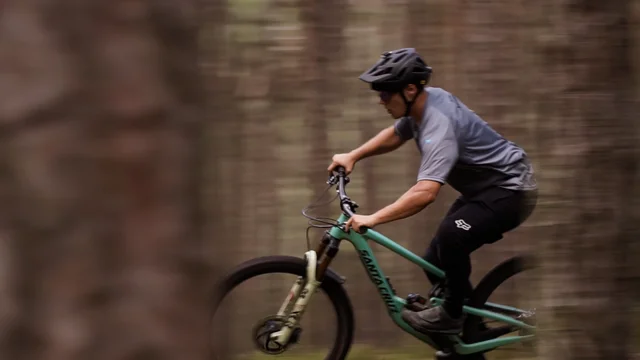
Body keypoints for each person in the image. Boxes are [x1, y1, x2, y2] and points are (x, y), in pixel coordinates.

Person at [327, 48, 538, 335]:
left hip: (511, 191)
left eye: (386, 94)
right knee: (434, 259)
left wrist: (373, 218)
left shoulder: (439, 125)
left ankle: (453, 316)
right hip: (487, 189)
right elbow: (397, 133)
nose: (381, 101)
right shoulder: (422, 104)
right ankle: (470, 330)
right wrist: (354, 155)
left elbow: (425, 193)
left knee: (452, 237)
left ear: (410, 89)